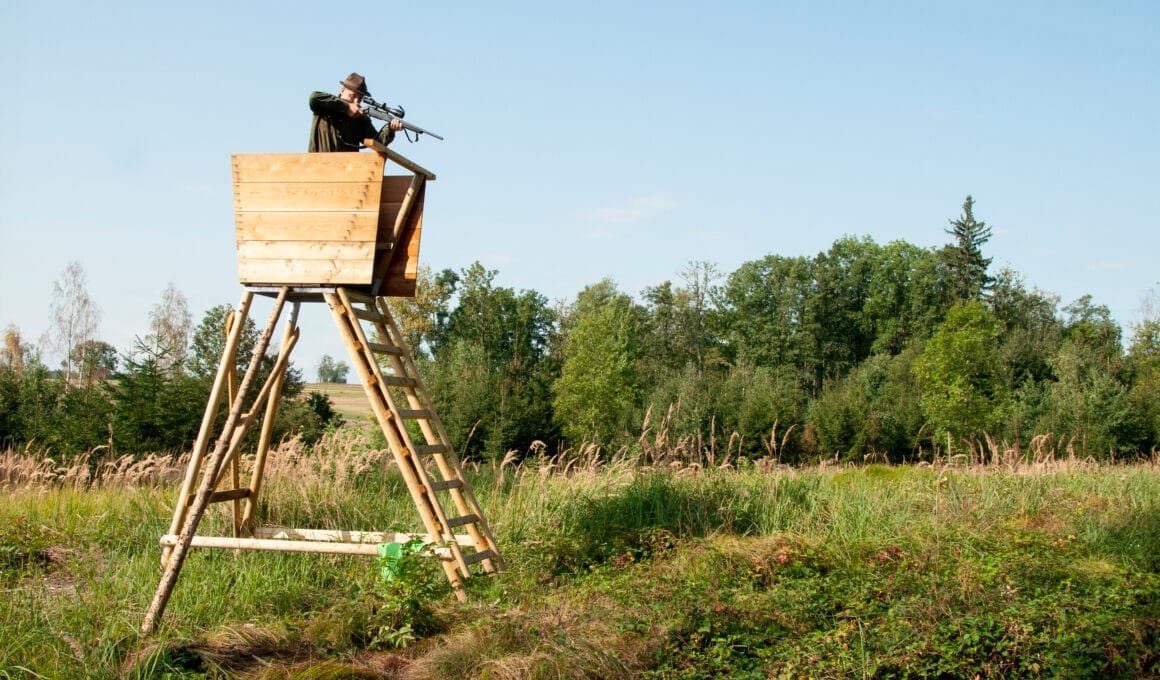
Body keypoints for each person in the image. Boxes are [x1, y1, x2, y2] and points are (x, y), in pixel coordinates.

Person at [308, 72, 404, 152]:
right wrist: (346, 107)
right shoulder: (325, 105)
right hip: (316, 169)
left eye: (360, 99)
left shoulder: (360, 119)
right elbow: (314, 97)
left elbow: (376, 142)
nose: (356, 102)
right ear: (342, 91)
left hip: (348, 171)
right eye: (352, 96)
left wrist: (390, 129)